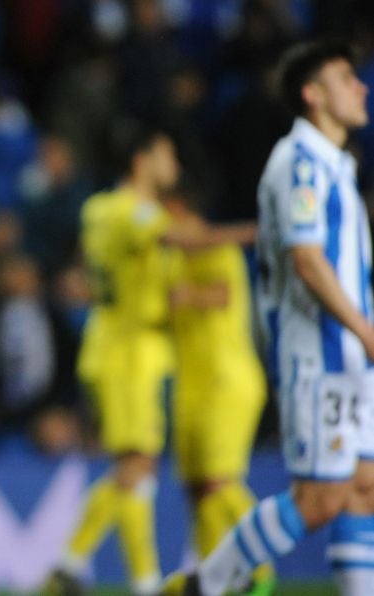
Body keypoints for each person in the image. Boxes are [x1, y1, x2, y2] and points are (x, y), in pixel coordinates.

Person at [166, 40, 374, 596]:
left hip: (351, 358)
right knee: (320, 498)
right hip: (318, 355)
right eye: (346, 78)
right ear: (312, 94)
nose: (361, 87)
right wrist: (365, 330)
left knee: (363, 490)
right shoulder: (299, 162)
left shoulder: (337, 165)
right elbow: (307, 261)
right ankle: (204, 586)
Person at [43, 125, 253, 596]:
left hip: (116, 345)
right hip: (129, 351)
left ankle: (80, 566)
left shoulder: (96, 208)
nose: (172, 165)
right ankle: (126, 578)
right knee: (136, 466)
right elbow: (186, 240)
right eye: (166, 154)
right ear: (142, 161)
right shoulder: (132, 211)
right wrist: (256, 230)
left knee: (136, 469)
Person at [162, 185, 271, 592]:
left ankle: (261, 571)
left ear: (187, 211)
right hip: (191, 388)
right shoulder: (172, 263)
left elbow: (223, 294)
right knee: (196, 491)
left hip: (228, 382)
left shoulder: (217, 252)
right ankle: (217, 576)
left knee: (219, 482)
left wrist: (189, 294)